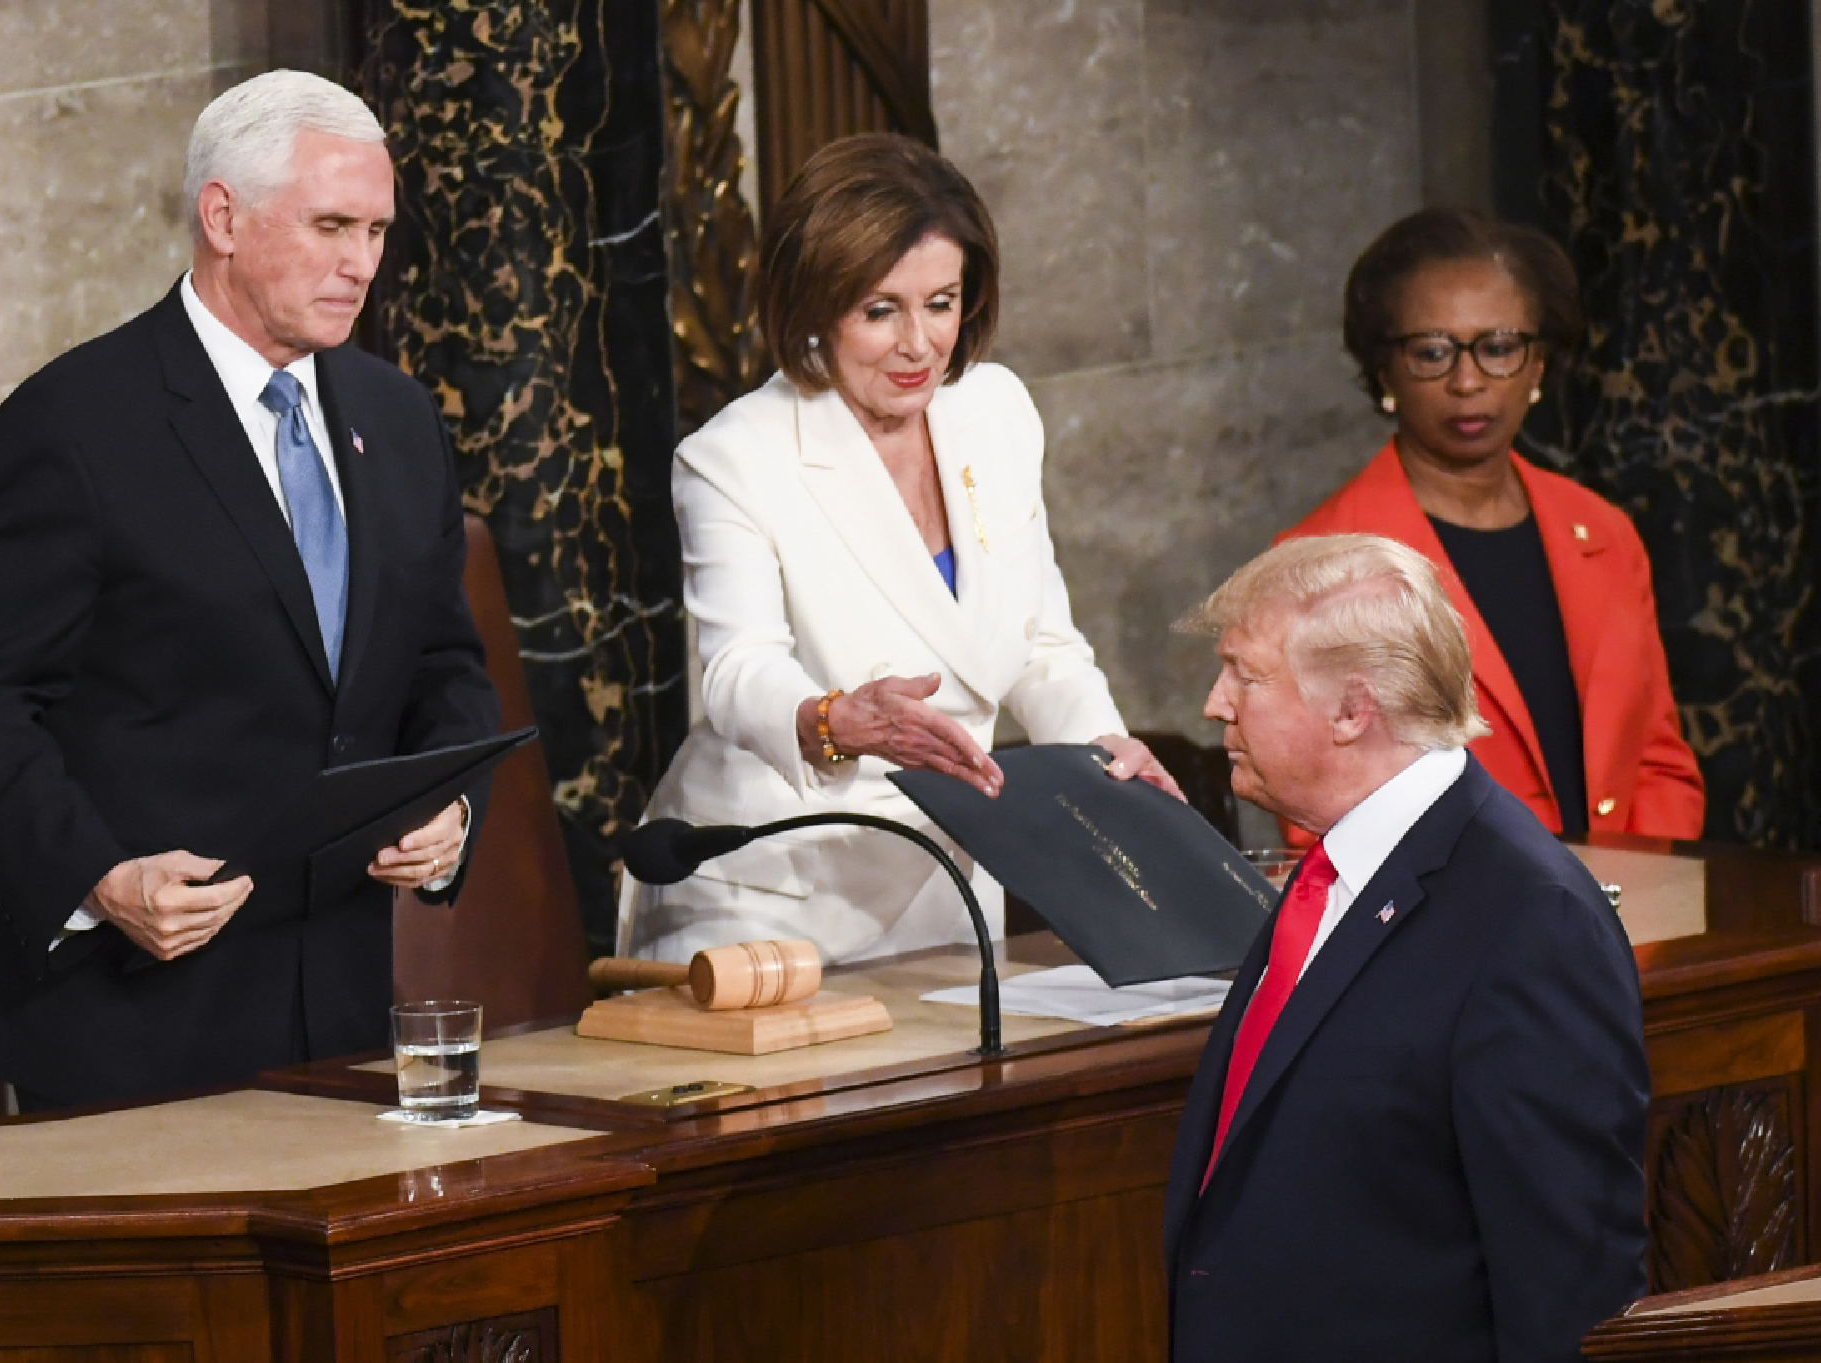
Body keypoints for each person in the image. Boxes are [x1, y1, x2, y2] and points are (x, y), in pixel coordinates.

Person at [0, 71, 501, 1110]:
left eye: (374, 230)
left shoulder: (398, 417)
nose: (359, 263)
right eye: (329, 225)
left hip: (347, 1013)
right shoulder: (71, 428)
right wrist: (99, 876)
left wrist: (448, 804)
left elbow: (443, 661)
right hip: (133, 1018)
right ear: (222, 215)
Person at [619, 134, 1178, 965]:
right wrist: (837, 720)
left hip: (945, 880)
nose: (919, 343)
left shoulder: (996, 411)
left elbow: (1042, 647)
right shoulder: (737, 454)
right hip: (770, 892)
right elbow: (737, 670)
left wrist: (1110, 760)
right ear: (815, 306)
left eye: (942, 302)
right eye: (881, 310)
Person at [1163, 534, 1648, 1362]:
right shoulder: (1332, 870)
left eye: (1244, 673)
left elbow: (1569, 1287)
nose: (1215, 703)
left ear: (1354, 710)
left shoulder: (1531, 922)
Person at [1279, 207, 1703, 841]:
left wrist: (1628, 894)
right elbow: (1320, 820)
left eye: (1499, 347)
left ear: (1538, 365)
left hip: (1627, 917)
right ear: (1383, 370)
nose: (1468, 380)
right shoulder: (1320, 564)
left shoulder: (1603, 532)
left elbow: (1658, 762)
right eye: (1432, 352)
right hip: (1456, 928)